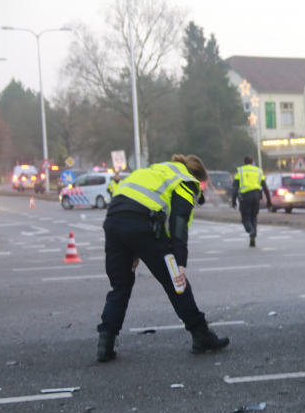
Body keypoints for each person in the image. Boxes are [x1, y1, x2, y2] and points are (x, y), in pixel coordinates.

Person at [96, 154, 229, 362]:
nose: (200, 190)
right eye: (202, 185)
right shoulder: (185, 180)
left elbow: (136, 202)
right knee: (176, 282)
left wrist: (133, 248)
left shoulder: (155, 170)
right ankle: (201, 335)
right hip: (142, 225)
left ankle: (105, 343)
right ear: (197, 175)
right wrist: (180, 263)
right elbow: (178, 222)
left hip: (113, 221)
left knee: (120, 286)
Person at [231, 155, 271, 247]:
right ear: (252, 162)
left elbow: (235, 187)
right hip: (256, 196)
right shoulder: (258, 171)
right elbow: (265, 187)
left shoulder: (240, 171)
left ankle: (250, 230)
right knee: (253, 217)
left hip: (245, 197)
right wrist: (269, 200)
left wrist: (233, 200)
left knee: (245, 218)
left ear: (244, 162)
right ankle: (253, 239)